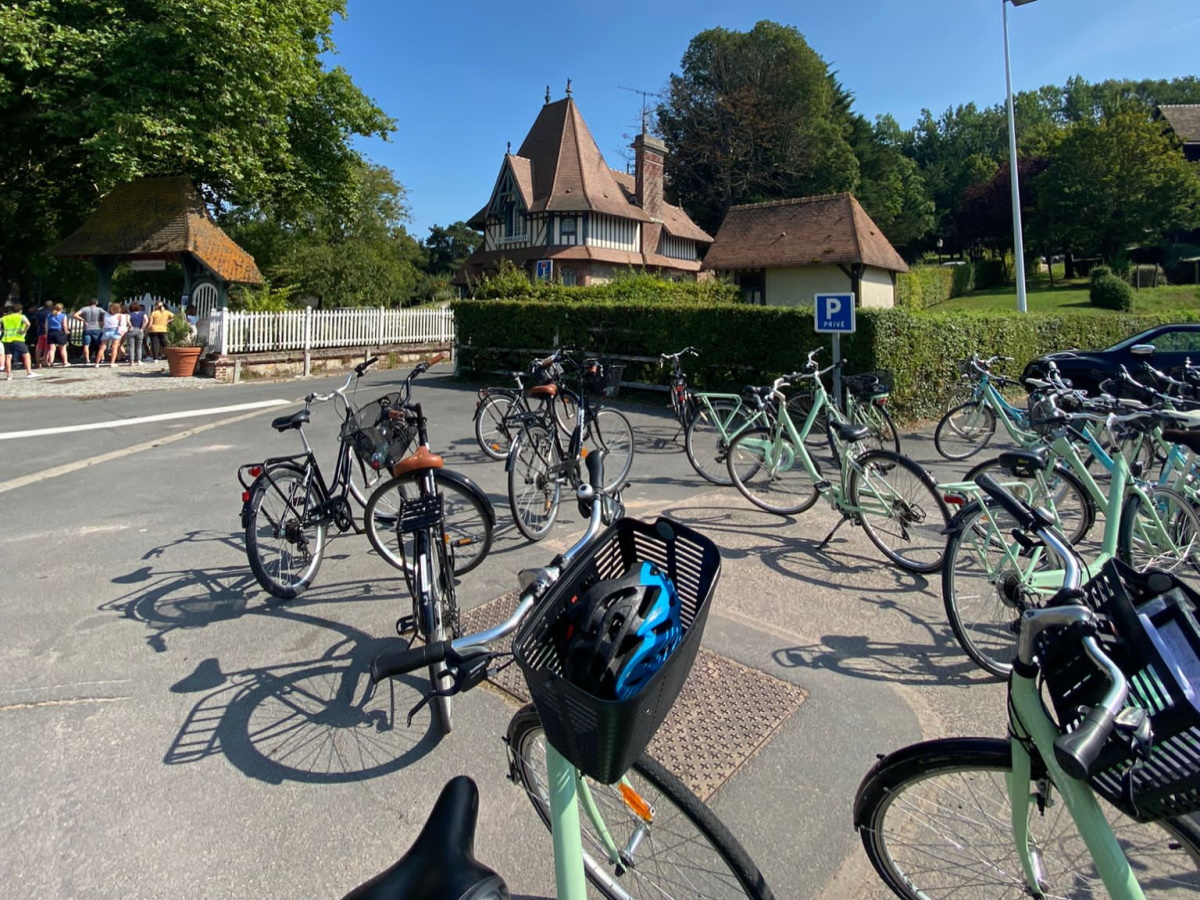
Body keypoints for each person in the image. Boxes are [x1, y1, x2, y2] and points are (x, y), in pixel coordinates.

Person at [2, 303, 40, 379]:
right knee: (26, 355)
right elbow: (28, 324)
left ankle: (9, 375)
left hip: (6, 339)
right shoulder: (21, 316)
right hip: (17, 338)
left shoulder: (4, 318)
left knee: (8, 356)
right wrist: (23, 331)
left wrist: (3, 331)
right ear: (20, 310)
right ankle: (29, 372)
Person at [95, 302, 128, 368]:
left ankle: (97, 363)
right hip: (115, 331)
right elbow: (123, 324)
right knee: (114, 347)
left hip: (107, 331)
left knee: (102, 347)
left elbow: (102, 323)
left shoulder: (105, 314)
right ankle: (112, 363)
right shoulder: (120, 315)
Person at [73, 298, 105, 365]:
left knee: (86, 345)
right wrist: (102, 322)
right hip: (96, 328)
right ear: (96, 303)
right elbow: (106, 314)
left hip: (87, 328)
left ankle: (87, 360)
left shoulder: (84, 309)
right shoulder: (99, 309)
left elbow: (75, 315)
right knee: (100, 344)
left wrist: (83, 319)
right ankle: (102, 358)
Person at [44, 302, 71, 367]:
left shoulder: (49, 315)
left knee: (52, 349)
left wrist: (47, 332)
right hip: (59, 332)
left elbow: (46, 325)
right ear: (61, 309)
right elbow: (64, 325)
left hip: (51, 332)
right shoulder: (63, 316)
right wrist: (66, 331)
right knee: (63, 348)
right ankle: (65, 362)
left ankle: (51, 362)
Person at [34, 300, 54, 367]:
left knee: (39, 348)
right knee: (47, 348)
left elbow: (36, 322)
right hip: (48, 331)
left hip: (40, 331)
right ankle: (46, 362)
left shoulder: (39, 312)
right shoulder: (51, 313)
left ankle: (37, 362)